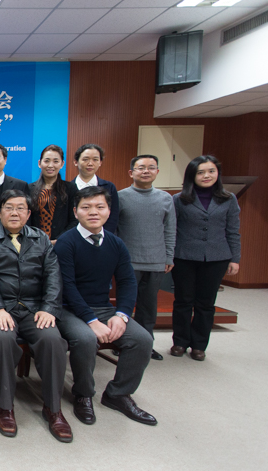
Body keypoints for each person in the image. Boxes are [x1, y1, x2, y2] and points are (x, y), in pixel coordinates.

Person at [0, 189, 71, 442]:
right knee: (3, 339)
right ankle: (6, 408)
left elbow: (53, 277)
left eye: (20, 208)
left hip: (34, 308)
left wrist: (48, 308)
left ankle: (53, 409)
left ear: (28, 214)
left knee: (52, 340)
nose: (14, 213)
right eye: (9, 208)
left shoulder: (41, 238)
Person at [54, 187, 156, 427]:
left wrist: (121, 315)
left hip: (104, 307)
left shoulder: (116, 243)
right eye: (86, 207)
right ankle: (83, 394)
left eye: (99, 207)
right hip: (69, 309)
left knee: (142, 340)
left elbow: (127, 281)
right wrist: (91, 321)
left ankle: (118, 394)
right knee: (86, 339)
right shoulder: (66, 243)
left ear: (109, 211)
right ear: (75, 212)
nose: (93, 212)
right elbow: (66, 287)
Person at [171, 155, 240, 362]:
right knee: (183, 301)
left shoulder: (228, 199)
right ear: (192, 175)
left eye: (211, 171)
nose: (206, 176)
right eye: (200, 172)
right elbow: (172, 230)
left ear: (218, 174)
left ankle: (199, 345)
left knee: (206, 303)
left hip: (217, 257)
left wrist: (235, 258)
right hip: (184, 256)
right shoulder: (179, 199)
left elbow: (233, 231)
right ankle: (180, 341)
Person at [117, 155, 176, 361]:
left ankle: (146, 345)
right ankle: (121, 342)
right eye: (141, 167)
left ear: (157, 172)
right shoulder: (120, 197)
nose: (146, 171)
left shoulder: (166, 198)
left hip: (156, 261)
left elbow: (170, 230)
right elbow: (114, 231)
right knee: (124, 306)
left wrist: (169, 256)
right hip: (127, 262)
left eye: (151, 168)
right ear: (131, 172)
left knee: (148, 307)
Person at [28, 145, 78, 244]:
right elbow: (26, 219)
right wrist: (35, 240)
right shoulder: (29, 189)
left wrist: (58, 240)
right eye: (46, 161)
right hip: (34, 244)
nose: (50, 165)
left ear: (62, 164)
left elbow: (75, 219)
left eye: (55, 161)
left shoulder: (70, 188)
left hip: (62, 243)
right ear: (39, 163)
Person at [72, 143, 119, 233]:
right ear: (76, 162)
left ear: (100, 163)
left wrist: (102, 237)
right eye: (85, 159)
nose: (90, 163)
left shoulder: (109, 187)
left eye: (95, 159)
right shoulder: (67, 188)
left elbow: (113, 217)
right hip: (73, 237)